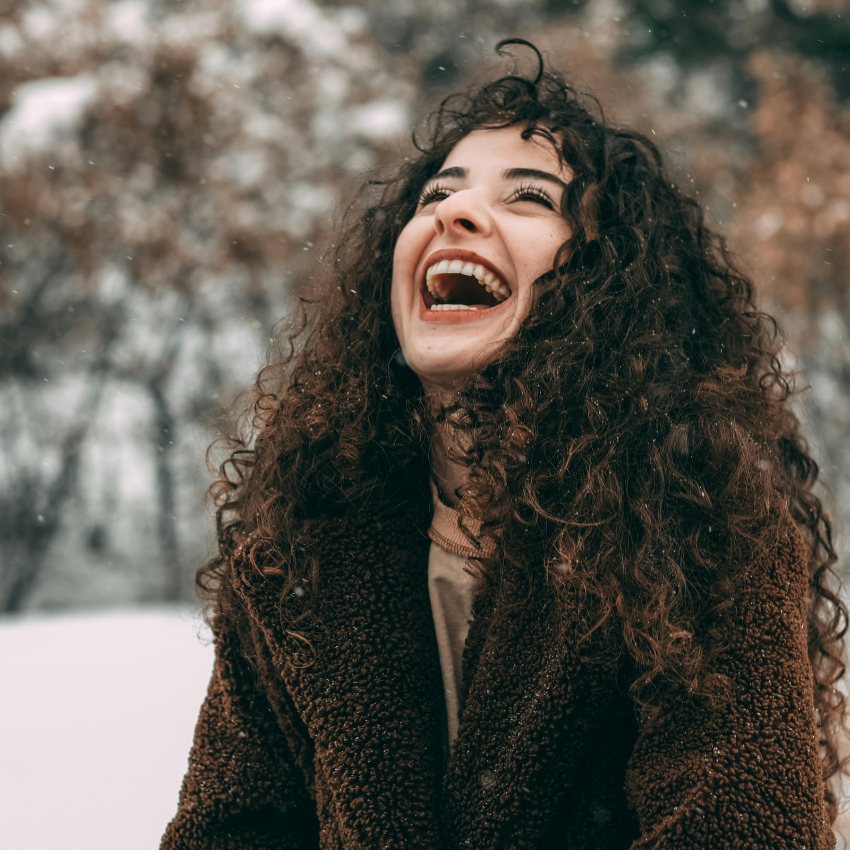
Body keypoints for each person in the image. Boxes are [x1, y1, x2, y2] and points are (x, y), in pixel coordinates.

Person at [161, 40, 846, 849]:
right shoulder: (299, 541)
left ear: (609, 278)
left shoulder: (696, 519)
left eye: (528, 198)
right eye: (437, 194)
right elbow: (232, 828)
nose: (453, 211)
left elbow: (743, 830)